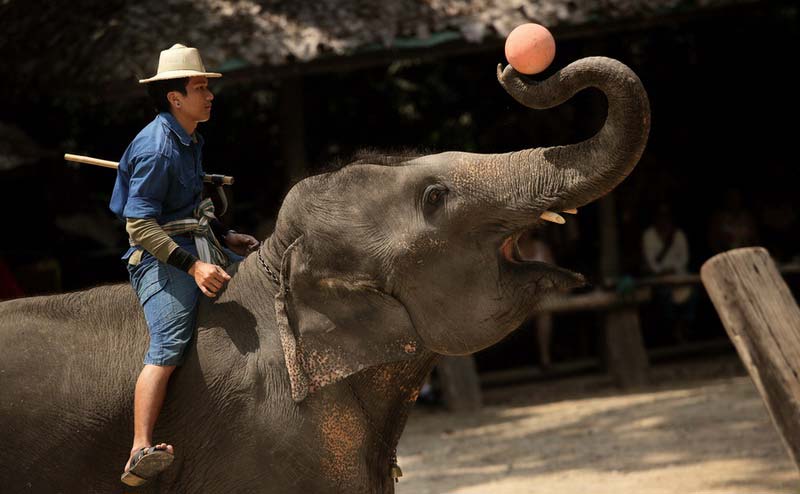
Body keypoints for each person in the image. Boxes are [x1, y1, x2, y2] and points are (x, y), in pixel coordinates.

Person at [109, 44, 259, 486]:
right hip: (159, 256)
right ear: (175, 97)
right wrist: (194, 267)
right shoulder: (156, 149)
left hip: (196, 239)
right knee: (169, 343)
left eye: (207, 86)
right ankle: (139, 447)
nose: (209, 94)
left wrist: (223, 236)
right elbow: (139, 225)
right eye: (199, 87)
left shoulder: (190, 137)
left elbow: (189, 207)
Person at [641, 203, 696, 343]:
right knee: (664, 296)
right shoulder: (649, 235)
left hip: (679, 275)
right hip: (659, 278)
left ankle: (684, 327)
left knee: (693, 293)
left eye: (666, 217)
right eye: (661, 217)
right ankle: (672, 331)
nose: (663, 220)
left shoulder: (678, 235)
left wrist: (673, 269)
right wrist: (661, 271)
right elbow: (650, 261)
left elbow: (684, 258)